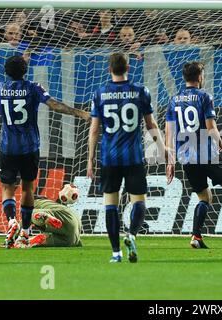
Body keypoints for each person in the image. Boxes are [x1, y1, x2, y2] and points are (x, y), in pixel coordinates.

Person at [0, 55, 90, 249]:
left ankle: (11, 221)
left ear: (6, 71)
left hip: (8, 148)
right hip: (29, 148)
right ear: (25, 71)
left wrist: (4, 110)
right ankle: (25, 233)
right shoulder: (34, 87)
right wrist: (80, 113)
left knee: (7, 188)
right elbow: (54, 105)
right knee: (27, 188)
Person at [165, 61, 222, 249]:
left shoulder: (174, 100)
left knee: (204, 197)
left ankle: (196, 236)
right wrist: (220, 142)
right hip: (207, 154)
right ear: (200, 77)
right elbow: (211, 127)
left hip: (186, 157)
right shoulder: (205, 97)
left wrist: (171, 160)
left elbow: (169, 132)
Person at [87, 52, 164, 263]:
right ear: (128, 68)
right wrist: (164, 149)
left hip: (109, 159)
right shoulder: (140, 92)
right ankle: (131, 235)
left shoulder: (100, 93)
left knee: (111, 204)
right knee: (139, 201)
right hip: (133, 158)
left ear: (109, 69)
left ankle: (115, 253)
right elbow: (151, 125)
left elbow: (94, 131)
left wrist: (90, 159)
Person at [11, 193, 82, 248]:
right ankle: (37, 240)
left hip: (65, 216)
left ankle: (44, 216)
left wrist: (12, 239)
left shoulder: (36, 202)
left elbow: (23, 222)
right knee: (64, 240)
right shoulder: (53, 204)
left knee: (29, 213)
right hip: (74, 238)